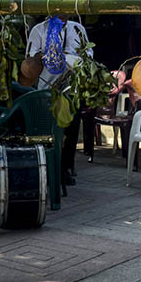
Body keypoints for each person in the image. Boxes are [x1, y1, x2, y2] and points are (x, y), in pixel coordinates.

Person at [26, 10, 94, 185]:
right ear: (49, 11)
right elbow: (30, 59)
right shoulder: (38, 30)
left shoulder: (77, 29)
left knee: (70, 130)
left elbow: (88, 56)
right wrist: (43, 57)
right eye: (58, 12)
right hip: (46, 88)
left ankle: (65, 169)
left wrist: (69, 59)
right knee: (48, 129)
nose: (63, 16)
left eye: (66, 12)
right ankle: (47, 167)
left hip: (71, 88)